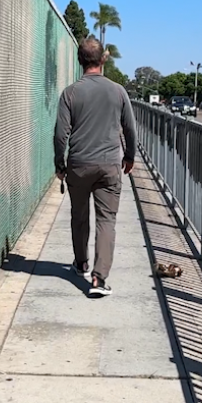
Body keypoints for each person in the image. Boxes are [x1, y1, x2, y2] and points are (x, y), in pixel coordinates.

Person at [53, 38, 136, 298]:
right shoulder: (118, 91)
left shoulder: (70, 93)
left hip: (78, 165)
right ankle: (99, 279)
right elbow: (131, 129)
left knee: (79, 216)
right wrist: (130, 156)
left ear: (80, 61)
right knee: (106, 220)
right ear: (103, 60)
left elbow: (59, 134)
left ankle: (81, 263)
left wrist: (60, 164)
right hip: (110, 164)